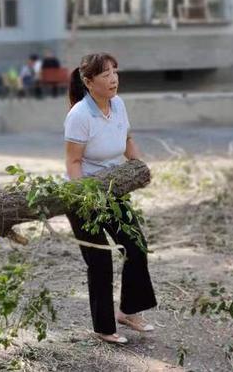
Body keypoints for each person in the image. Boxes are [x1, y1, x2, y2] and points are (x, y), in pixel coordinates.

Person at [64, 53, 157, 344]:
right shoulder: (79, 115)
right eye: (105, 74)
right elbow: (74, 163)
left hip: (112, 190)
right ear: (89, 82)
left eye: (115, 71)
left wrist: (140, 167)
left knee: (136, 247)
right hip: (82, 195)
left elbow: (126, 140)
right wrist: (85, 198)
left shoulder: (118, 105)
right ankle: (104, 327)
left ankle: (129, 311)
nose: (113, 78)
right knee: (101, 259)